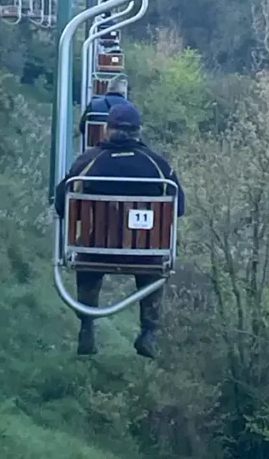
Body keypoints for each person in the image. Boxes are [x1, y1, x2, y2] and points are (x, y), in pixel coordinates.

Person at [55, 99, 185, 360]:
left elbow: (61, 204)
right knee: (154, 252)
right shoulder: (158, 166)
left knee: (87, 246)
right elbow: (179, 207)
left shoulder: (87, 162)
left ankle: (87, 327)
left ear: (107, 129)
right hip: (144, 254)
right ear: (138, 131)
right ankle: (148, 332)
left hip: (95, 251)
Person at [78, 74, 129, 138]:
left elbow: (82, 128)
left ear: (108, 89)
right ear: (123, 91)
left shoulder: (93, 104)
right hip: (122, 146)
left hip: (97, 145)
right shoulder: (129, 108)